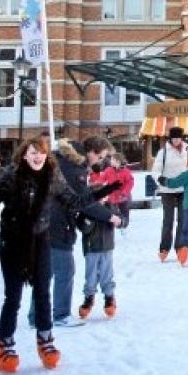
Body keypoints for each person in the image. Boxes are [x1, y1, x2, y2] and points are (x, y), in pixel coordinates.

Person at [0, 136, 115, 374]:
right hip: (13, 241)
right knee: (12, 297)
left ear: (46, 156)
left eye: (41, 153)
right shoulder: (12, 175)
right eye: (33, 152)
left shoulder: (52, 176)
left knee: (43, 291)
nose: (37, 156)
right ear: (24, 154)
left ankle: (45, 339)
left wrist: (105, 190)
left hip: (41, 239)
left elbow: (74, 201)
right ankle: (5, 344)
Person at [38, 138, 118, 329]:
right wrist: (109, 216)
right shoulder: (74, 169)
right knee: (65, 271)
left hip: (44, 222)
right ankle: (61, 315)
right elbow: (83, 203)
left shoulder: (64, 162)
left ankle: (36, 316)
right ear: (90, 152)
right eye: (99, 157)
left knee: (45, 272)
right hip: (57, 224)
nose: (99, 162)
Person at [78, 137, 124, 320]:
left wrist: (119, 221)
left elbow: (121, 218)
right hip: (91, 247)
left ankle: (109, 297)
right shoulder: (89, 210)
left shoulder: (110, 208)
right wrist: (87, 224)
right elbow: (80, 223)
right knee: (90, 275)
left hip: (107, 247)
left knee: (107, 273)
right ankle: (89, 298)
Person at [151, 128, 188, 262]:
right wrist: (160, 179)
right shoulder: (163, 152)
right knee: (168, 220)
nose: (176, 140)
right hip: (167, 190)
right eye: (174, 138)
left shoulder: (187, 150)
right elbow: (155, 171)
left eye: (178, 138)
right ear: (170, 139)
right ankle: (164, 248)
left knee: (183, 220)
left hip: (183, 190)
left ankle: (179, 247)